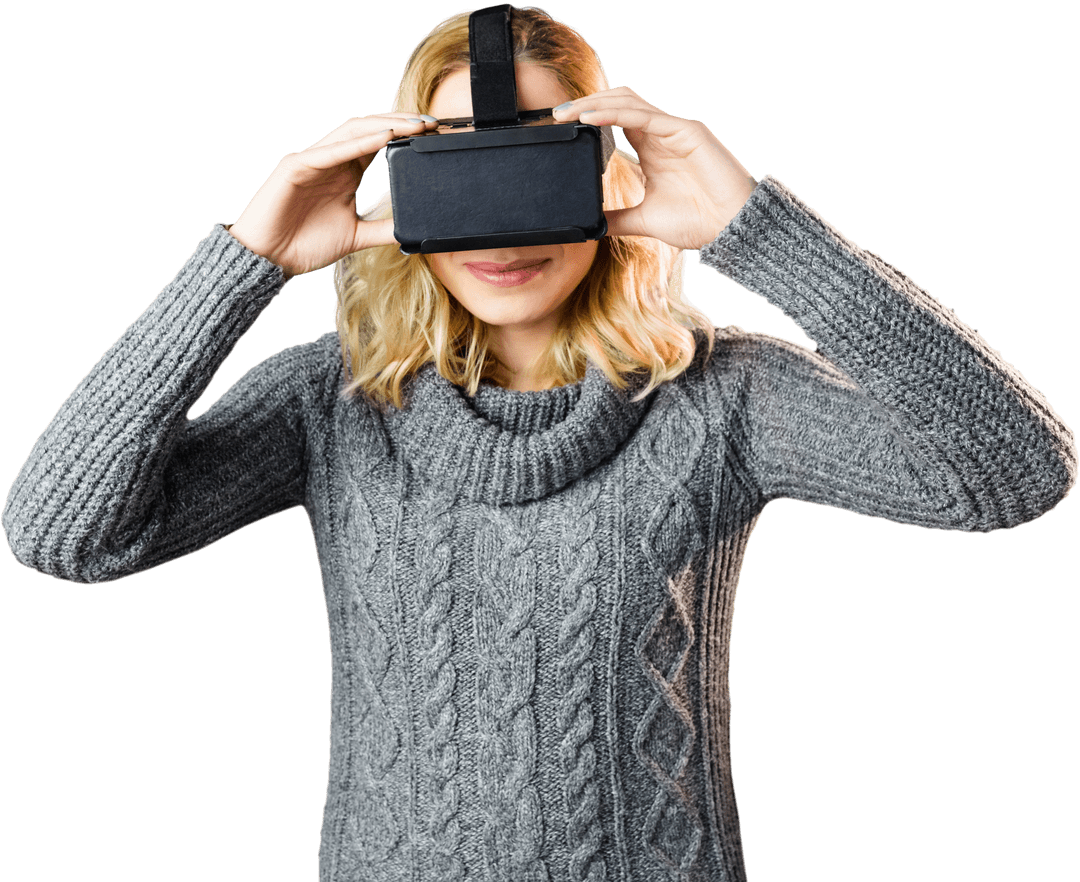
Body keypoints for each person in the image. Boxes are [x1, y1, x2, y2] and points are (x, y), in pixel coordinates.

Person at [3, 5, 1076, 881]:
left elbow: (1011, 476)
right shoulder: (331, 404)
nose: (503, 228)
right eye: (457, 171)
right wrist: (248, 261)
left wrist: (763, 231)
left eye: (534, 166)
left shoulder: (724, 398)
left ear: (607, 173)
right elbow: (64, 534)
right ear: (398, 179)